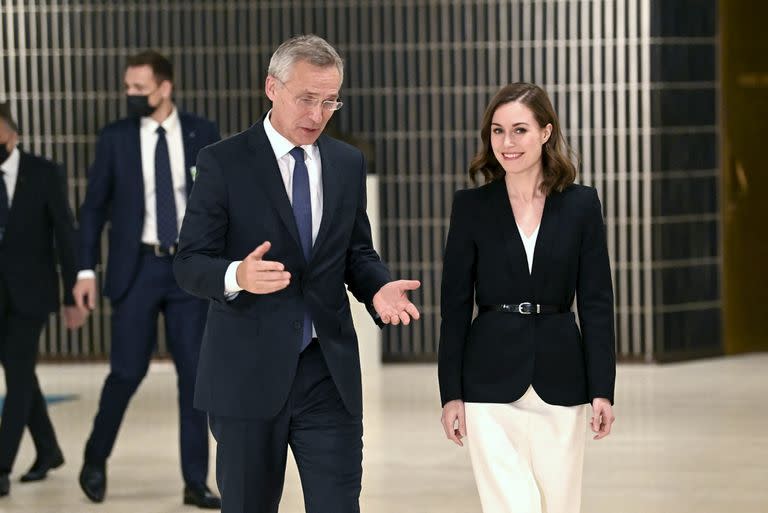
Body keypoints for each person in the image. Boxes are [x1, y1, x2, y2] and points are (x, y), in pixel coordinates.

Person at [173, 34, 421, 513]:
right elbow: (188, 263)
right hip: (247, 375)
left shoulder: (346, 164)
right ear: (272, 87)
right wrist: (235, 276)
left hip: (327, 373)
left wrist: (378, 287)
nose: (318, 114)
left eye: (330, 101)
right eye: (306, 98)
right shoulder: (222, 162)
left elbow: (356, 253)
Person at [438, 83, 616, 513]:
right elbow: (455, 307)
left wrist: (602, 389)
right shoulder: (472, 207)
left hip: (562, 377)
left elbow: (596, 303)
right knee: (509, 506)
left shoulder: (580, 205)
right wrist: (450, 394)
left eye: (520, 130)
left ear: (546, 132)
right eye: (498, 132)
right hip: (488, 380)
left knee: (561, 504)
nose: (507, 143)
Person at [72, 50, 221, 508]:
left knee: (196, 378)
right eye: (128, 88)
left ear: (165, 88)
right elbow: (94, 207)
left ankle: (195, 481)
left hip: (188, 271)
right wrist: (84, 270)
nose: (131, 95)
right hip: (135, 269)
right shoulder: (115, 138)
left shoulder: (202, 133)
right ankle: (95, 460)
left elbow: (220, 203)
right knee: (126, 372)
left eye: (139, 88)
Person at [0, 102, 85, 497]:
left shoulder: (43, 173)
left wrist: (73, 292)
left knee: (16, 378)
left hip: (30, 295)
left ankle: (1, 466)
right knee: (22, 374)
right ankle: (48, 449)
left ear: (13, 133)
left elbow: (66, 236)